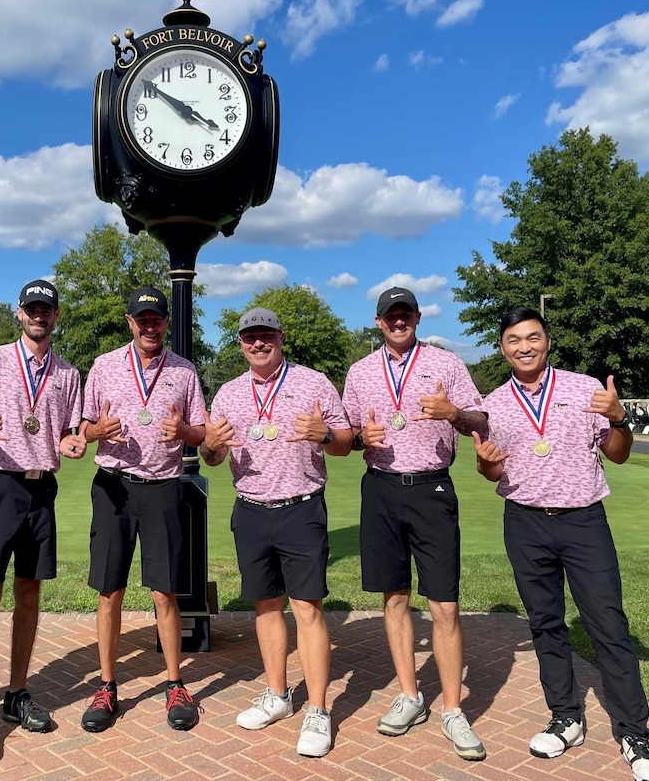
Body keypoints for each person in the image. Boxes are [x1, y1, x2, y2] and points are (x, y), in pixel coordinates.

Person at [473, 307, 649, 781]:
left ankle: (634, 733)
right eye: (514, 339)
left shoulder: (585, 389)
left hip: (583, 522)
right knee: (545, 624)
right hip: (524, 523)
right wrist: (486, 464)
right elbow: (492, 470)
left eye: (533, 337)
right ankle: (566, 717)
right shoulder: (493, 403)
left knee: (608, 625)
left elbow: (617, 456)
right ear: (502, 348)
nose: (524, 346)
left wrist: (620, 420)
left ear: (548, 341)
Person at [341, 286, 488, 761]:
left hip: (432, 487)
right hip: (380, 487)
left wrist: (456, 414)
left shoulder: (446, 364)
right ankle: (409, 694)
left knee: (444, 603)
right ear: (378, 322)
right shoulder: (361, 371)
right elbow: (345, 435)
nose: (398, 321)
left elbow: (480, 418)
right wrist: (363, 436)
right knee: (395, 596)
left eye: (405, 314)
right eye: (390, 316)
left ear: (418, 318)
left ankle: (452, 708)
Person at [200, 307, 351, 758]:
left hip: (300, 508)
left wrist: (324, 434)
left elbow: (344, 444)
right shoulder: (228, 393)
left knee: (307, 608)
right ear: (241, 343)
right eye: (250, 337)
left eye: (266, 335)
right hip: (249, 509)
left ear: (281, 338)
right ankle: (278, 696)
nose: (258, 344)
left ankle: (319, 710)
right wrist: (211, 445)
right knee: (265, 607)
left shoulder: (313, 382)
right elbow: (210, 456)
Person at [0, 280, 86, 764]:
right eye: (32, 309)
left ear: (56, 315)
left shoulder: (69, 372)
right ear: (19, 313)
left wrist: (74, 444)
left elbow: (72, 434)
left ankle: (15, 693)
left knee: (30, 593)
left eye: (46, 310)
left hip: (41, 490)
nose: (39, 316)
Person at [79, 286, 206, 733]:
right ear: (130, 322)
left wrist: (184, 429)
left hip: (162, 487)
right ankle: (107, 686)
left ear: (166, 322)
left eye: (156, 318)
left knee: (163, 591)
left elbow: (202, 434)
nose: (149, 325)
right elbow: (82, 427)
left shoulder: (185, 371)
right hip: (113, 487)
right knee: (109, 590)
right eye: (141, 319)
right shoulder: (104, 366)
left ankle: (175, 683)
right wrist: (99, 430)